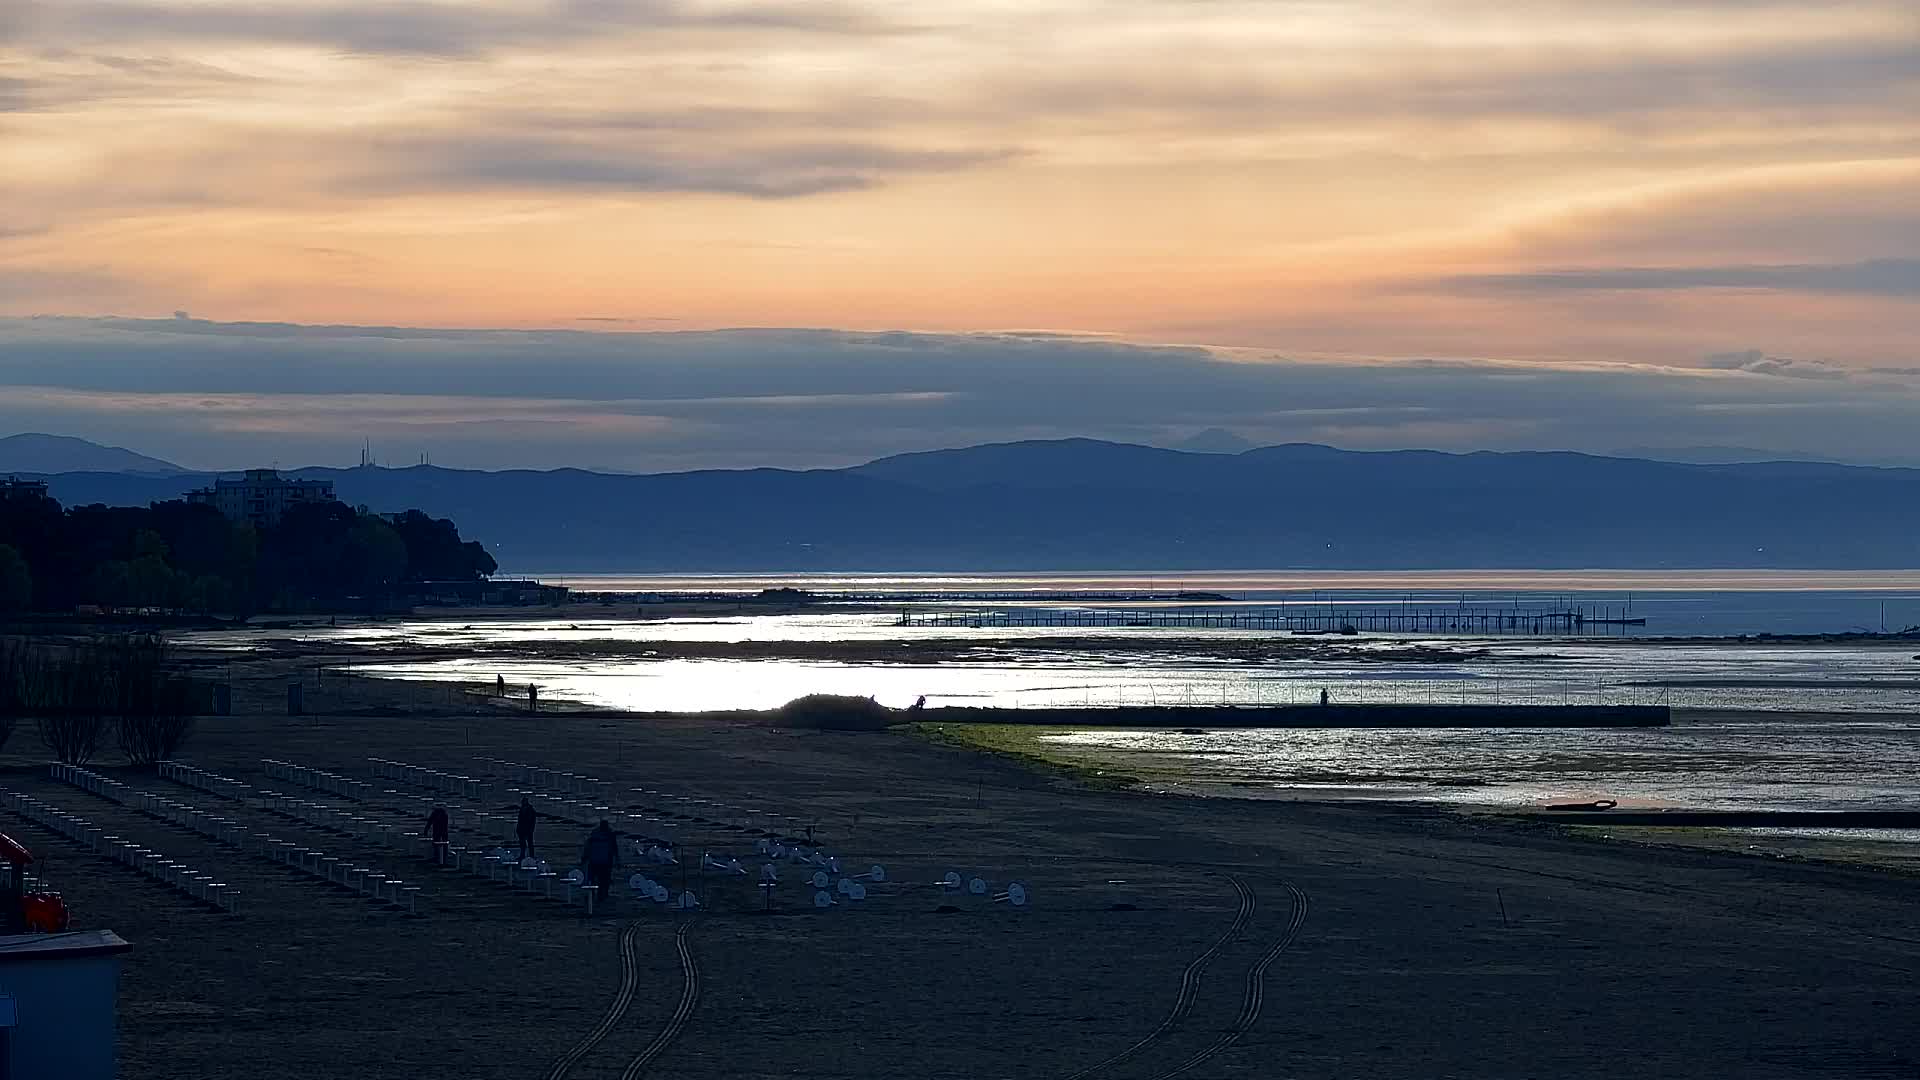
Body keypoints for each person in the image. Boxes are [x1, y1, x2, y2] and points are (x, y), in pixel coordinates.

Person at [580, 819, 620, 902]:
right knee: (604, 880)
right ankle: (602, 895)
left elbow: (588, 847)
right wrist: (617, 860)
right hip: (605, 862)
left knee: (592, 879)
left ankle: (591, 894)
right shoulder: (610, 834)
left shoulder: (594, 833)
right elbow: (614, 848)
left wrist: (584, 858)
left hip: (594, 861)